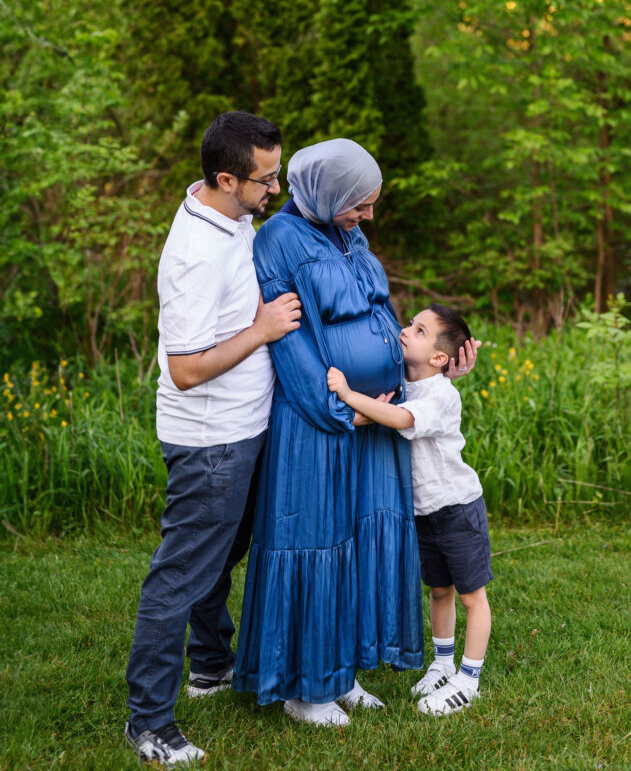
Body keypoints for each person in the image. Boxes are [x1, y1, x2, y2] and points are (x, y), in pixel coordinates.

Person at [232, 139, 478, 728]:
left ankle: (340, 673)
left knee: (355, 546)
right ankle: (305, 689)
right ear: (325, 193)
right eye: (359, 205)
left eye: (370, 205)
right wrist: (348, 410)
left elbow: (380, 321)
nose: (368, 216)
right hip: (321, 424)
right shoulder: (277, 242)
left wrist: (430, 369)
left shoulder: (351, 237)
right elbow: (291, 346)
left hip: (372, 421)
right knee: (313, 545)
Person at [124, 111, 302, 766]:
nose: (273, 190)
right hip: (210, 444)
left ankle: (209, 667)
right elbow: (186, 368)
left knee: (219, 557)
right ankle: (148, 723)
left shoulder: (227, 212)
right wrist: (261, 330)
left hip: (245, 430)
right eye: (264, 180)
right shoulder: (196, 256)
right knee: (179, 577)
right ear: (225, 178)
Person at [327, 303, 492, 717]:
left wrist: (348, 394)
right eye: (410, 323)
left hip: (456, 506)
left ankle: (468, 680)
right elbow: (385, 412)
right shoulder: (406, 382)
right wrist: (360, 412)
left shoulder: (439, 394)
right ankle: (441, 662)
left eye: (419, 330)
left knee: (473, 596)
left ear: (439, 358)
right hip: (424, 512)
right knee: (439, 590)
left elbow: (400, 418)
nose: (405, 330)